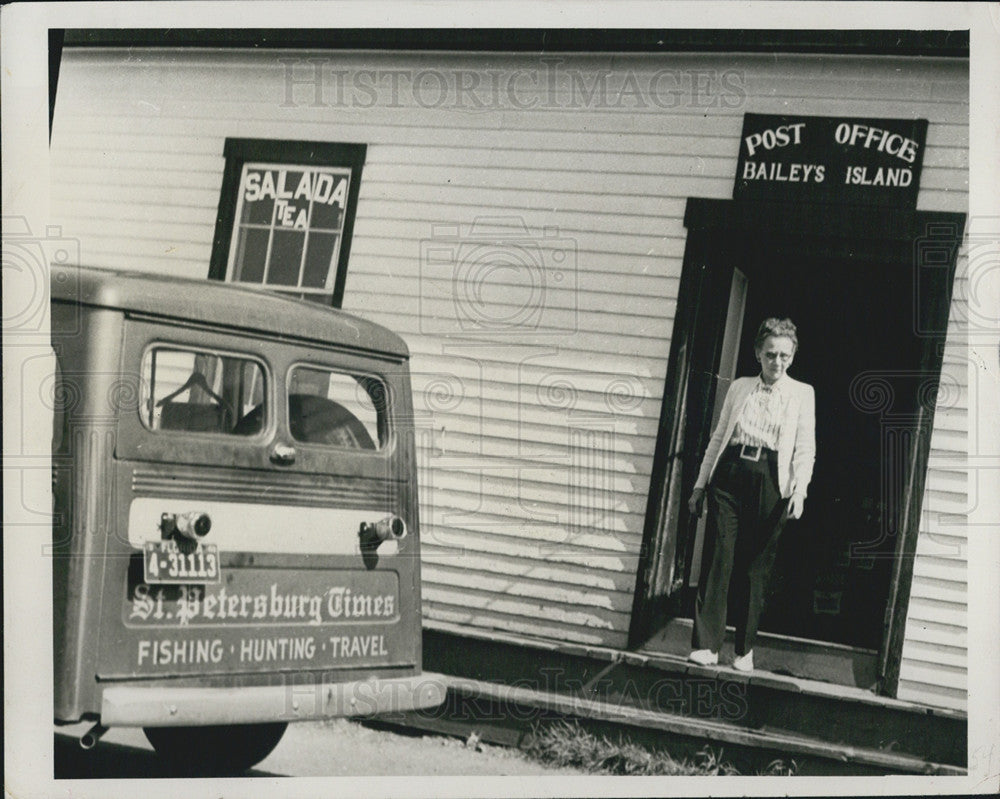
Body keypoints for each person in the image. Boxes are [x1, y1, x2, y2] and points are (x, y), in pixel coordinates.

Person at [687, 317, 815, 672]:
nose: (777, 362)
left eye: (785, 356)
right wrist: (700, 484)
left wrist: (799, 491)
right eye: (771, 354)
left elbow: (805, 448)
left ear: (792, 357)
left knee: (756, 566)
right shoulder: (740, 387)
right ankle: (706, 645)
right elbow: (718, 436)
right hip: (729, 475)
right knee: (719, 557)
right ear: (758, 353)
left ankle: (743, 650)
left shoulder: (803, 394)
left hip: (771, 479)